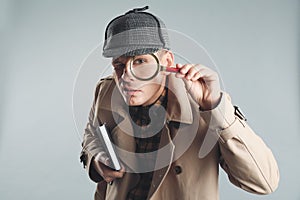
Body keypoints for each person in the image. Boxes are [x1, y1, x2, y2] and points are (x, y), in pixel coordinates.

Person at [80, 6, 279, 200]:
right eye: (119, 65)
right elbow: (92, 135)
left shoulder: (205, 105)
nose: (127, 76)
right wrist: (97, 160)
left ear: (167, 62)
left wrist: (216, 109)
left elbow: (265, 182)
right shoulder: (106, 91)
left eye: (140, 61)